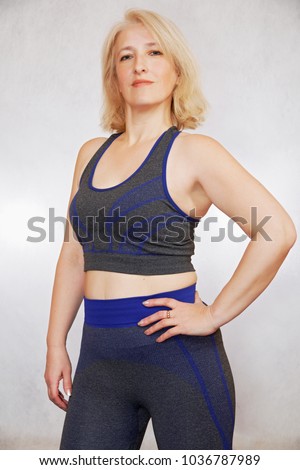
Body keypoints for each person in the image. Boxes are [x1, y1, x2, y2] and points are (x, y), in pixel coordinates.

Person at [44, 8, 297, 450]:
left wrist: (214, 314)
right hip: (99, 358)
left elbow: (277, 229)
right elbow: (73, 254)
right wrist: (54, 344)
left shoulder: (195, 152)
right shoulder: (90, 154)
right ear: (114, 77)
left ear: (177, 71)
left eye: (154, 52)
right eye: (126, 57)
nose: (139, 65)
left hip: (178, 356)